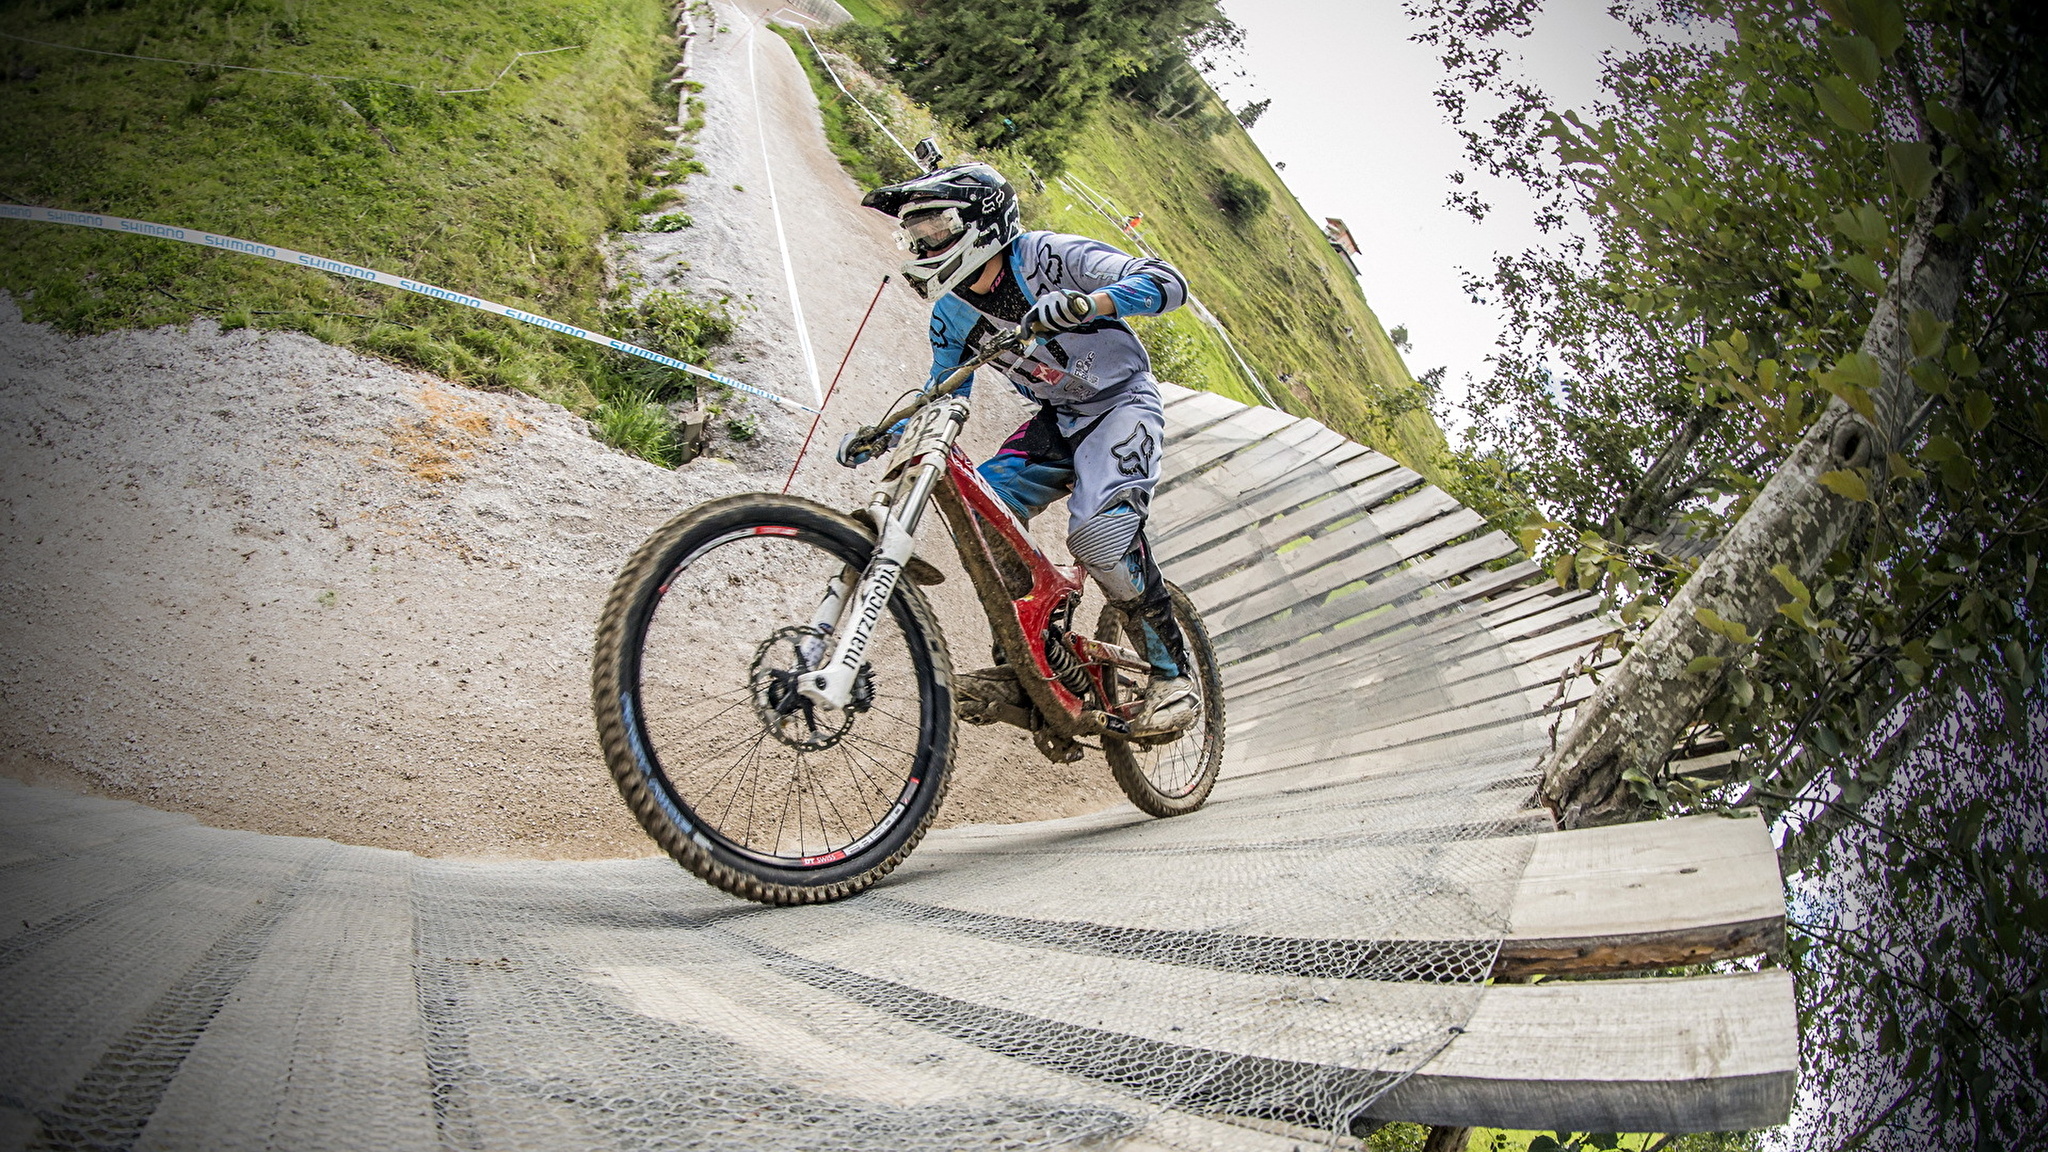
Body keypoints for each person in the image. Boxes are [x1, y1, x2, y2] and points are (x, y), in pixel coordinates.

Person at [858, 162, 1197, 738]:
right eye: (913, 233)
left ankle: (1173, 676)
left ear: (981, 221)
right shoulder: (952, 313)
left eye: (935, 227)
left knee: (1097, 538)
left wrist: (1092, 304)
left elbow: (1168, 284)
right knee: (982, 513)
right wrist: (887, 432)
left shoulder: (1050, 257)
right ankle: (1030, 660)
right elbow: (944, 392)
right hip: (1057, 421)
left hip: (1121, 404)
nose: (923, 241)